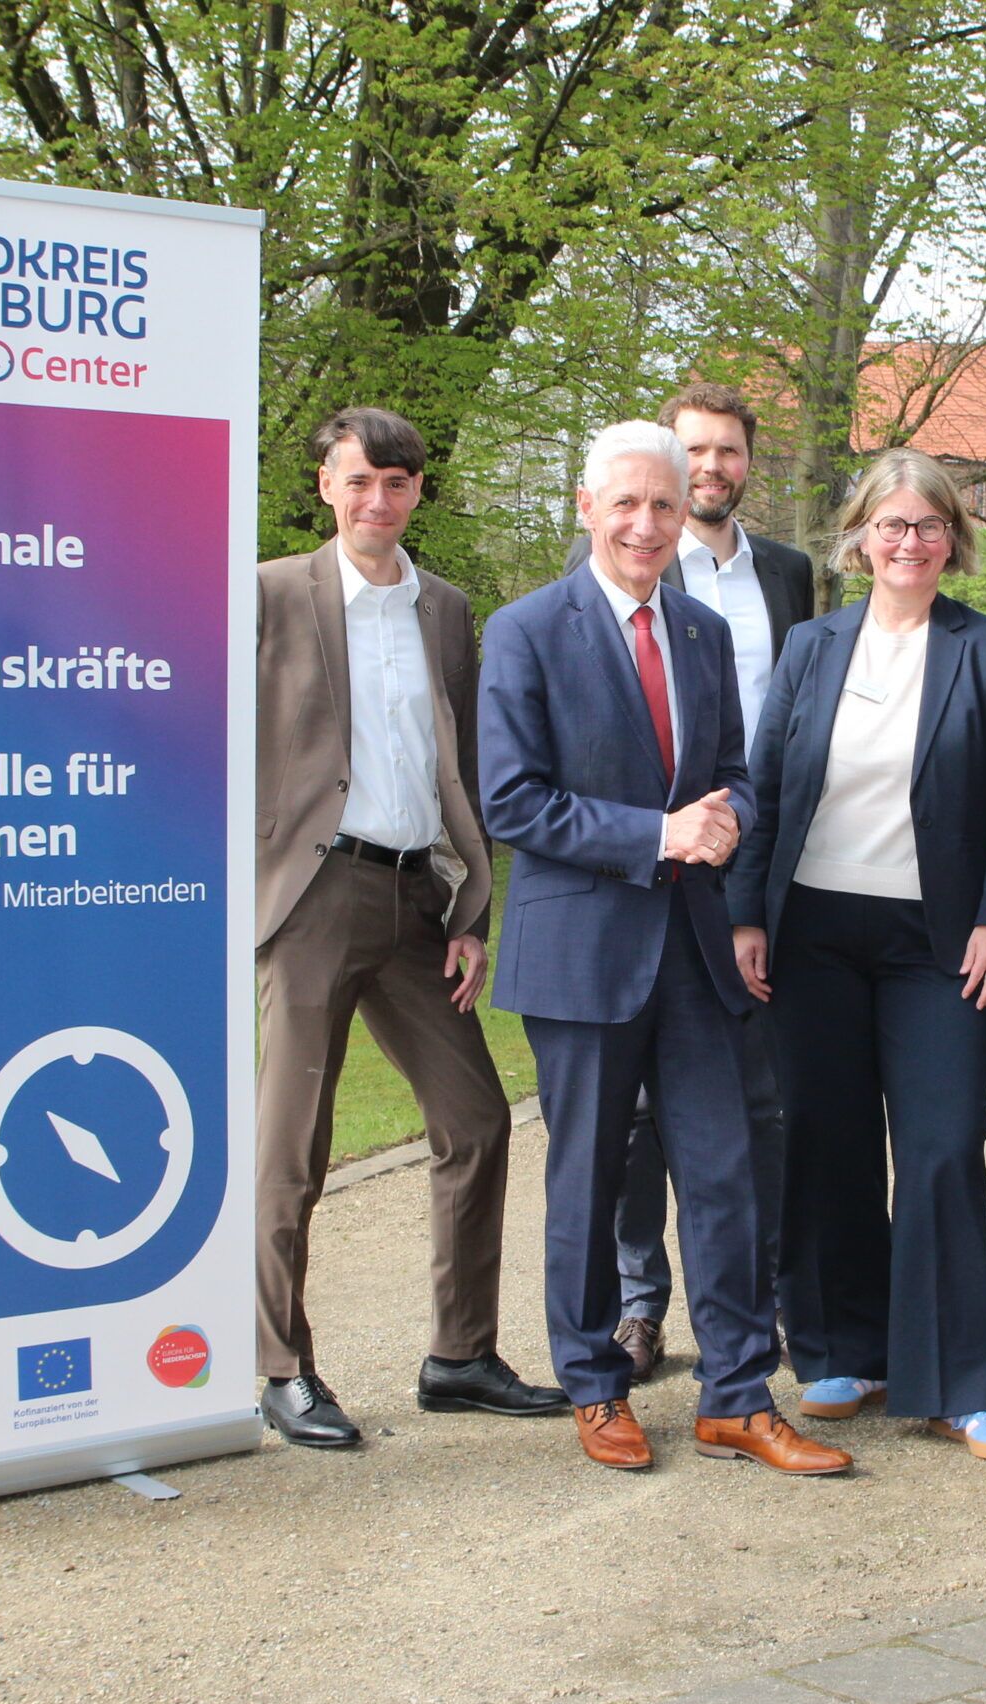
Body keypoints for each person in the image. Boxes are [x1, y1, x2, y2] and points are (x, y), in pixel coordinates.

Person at [478, 421, 849, 1476]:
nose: (646, 523)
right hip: (582, 955)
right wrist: (658, 834)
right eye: (626, 503)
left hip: (692, 949)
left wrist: (724, 814)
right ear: (586, 507)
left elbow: (729, 765)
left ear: (686, 514)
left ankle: (735, 1394)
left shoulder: (695, 631)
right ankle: (594, 1386)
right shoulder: (525, 630)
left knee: (726, 1175)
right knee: (590, 1181)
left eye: (664, 505)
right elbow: (511, 799)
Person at [253, 406, 566, 1449]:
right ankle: (282, 1364)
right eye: (357, 482)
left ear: (417, 492)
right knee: (292, 1142)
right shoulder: (266, 596)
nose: (376, 501)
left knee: (475, 1122)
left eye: (395, 483)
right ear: (325, 488)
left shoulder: (445, 607)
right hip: (310, 898)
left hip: (416, 903)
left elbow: (457, 768)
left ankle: (461, 1355)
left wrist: (470, 908)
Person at [727, 447, 986, 1463]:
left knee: (944, 1145)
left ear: (954, 539)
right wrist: (746, 914)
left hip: (936, 942)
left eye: (928, 525)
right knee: (827, 1140)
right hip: (813, 929)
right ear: (858, 536)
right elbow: (765, 787)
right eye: (890, 525)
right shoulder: (812, 646)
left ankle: (959, 1381)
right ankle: (842, 1346)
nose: (908, 543)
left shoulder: (983, 648)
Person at [560, 384, 817, 1385]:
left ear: (750, 463)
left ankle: (755, 1298)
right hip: (641, 865)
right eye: (692, 453)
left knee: (752, 1104)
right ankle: (638, 1302)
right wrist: (655, 835)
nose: (710, 469)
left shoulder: (788, 576)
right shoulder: (608, 577)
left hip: (754, 852)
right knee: (632, 1122)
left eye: (727, 453)